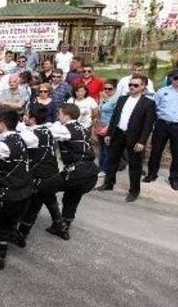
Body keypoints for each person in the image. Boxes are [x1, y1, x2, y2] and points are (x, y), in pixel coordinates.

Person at [0, 110, 34, 269]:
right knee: (6, 223)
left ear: (2, 124)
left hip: (10, 192)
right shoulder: (19, 138)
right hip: (24, 190)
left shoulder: (3, 146)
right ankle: (0, 255)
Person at [34, 103, 100, 240]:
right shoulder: (81, 128)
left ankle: (60, 224)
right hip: (90, 172)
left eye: (59, 114)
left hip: (78, 171)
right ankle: (63, 227)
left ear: (67, 115)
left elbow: (47, 133)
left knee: (44, 187)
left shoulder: (66, 130)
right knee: (72, 197)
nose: (58, 116)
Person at [97, 75, 157, 202]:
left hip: (134, 137)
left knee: (135, 165)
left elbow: (148, 125)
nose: (131, 87)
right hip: (117, 134)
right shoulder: (122, 99)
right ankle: (108, 184)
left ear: (143, 87)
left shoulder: (149, 103)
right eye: (130, 85)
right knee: (112, 161)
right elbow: (114, 118)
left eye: (135, 85)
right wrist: (109, 134)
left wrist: (142, 141)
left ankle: (134, 191)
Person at [14, 106, 62, 248]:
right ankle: (60, 226)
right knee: (49, 198)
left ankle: (22, 234)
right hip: (53, 172)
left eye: (26, 115)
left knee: (33, 204)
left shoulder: (31, 134)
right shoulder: (47, 130)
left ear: (33, 119)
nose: (24, 118)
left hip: (39, 174)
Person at [96, 79, 119, 173]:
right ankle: (101, 167)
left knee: (107, 149)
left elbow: (116, 115)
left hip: (109, 126)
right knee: (101, 148)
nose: (107, 90)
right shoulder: (104, 98)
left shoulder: (116, 100)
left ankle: (106, 169)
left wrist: (108, 127)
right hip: (101, 125)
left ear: (115, 89)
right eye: (105, 88)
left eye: (110, 89)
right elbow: (99, 111)